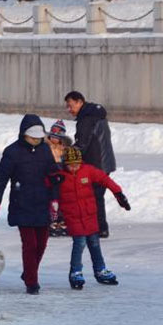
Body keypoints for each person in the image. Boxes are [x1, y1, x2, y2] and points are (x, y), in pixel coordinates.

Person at [0, 114, 58, 295]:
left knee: (42, 244)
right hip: (22, 203)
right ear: (24, 135)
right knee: (30, 244)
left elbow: (53, 176)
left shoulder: (45, 150)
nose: (36, 141)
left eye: (39, 138)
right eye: (33, 138)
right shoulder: (12, 152)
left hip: (42, 202)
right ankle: (32, 282)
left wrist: (54, 199)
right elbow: (1, 179)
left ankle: (29, 272)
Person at [55, 146, 131, 289]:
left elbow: (105, 179)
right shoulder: (60, 176)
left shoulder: (87, 171)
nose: (73, 168)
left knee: (95, 244)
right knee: (80, 244)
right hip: (73, 217)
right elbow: (48, 191)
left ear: (80, 162)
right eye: (70, 165)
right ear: (65, 164)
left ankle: (100, 270)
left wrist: (119, 193)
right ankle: (75, 272)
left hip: (90, 216)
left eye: (76, 164)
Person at [64, 90, 117, 238]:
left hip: (97, 163)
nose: (69, 110)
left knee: (93, 196)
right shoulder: (96, 115)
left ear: (80, 102)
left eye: (70, 105)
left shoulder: (86, 119)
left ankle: (98, 228)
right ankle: (100, 227)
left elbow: (82, 144)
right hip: (104, 162)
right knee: (96, 196)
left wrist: (67, 156)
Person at [47, 119, 73, 237]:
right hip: (50, 176)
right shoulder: (46, 147)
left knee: (63, 199)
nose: (54, 139)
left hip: (62, 176)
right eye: (52, 136)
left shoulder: (65, 149)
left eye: (56, 137)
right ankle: (52, 221)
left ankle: (61, 221)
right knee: (52, 200)